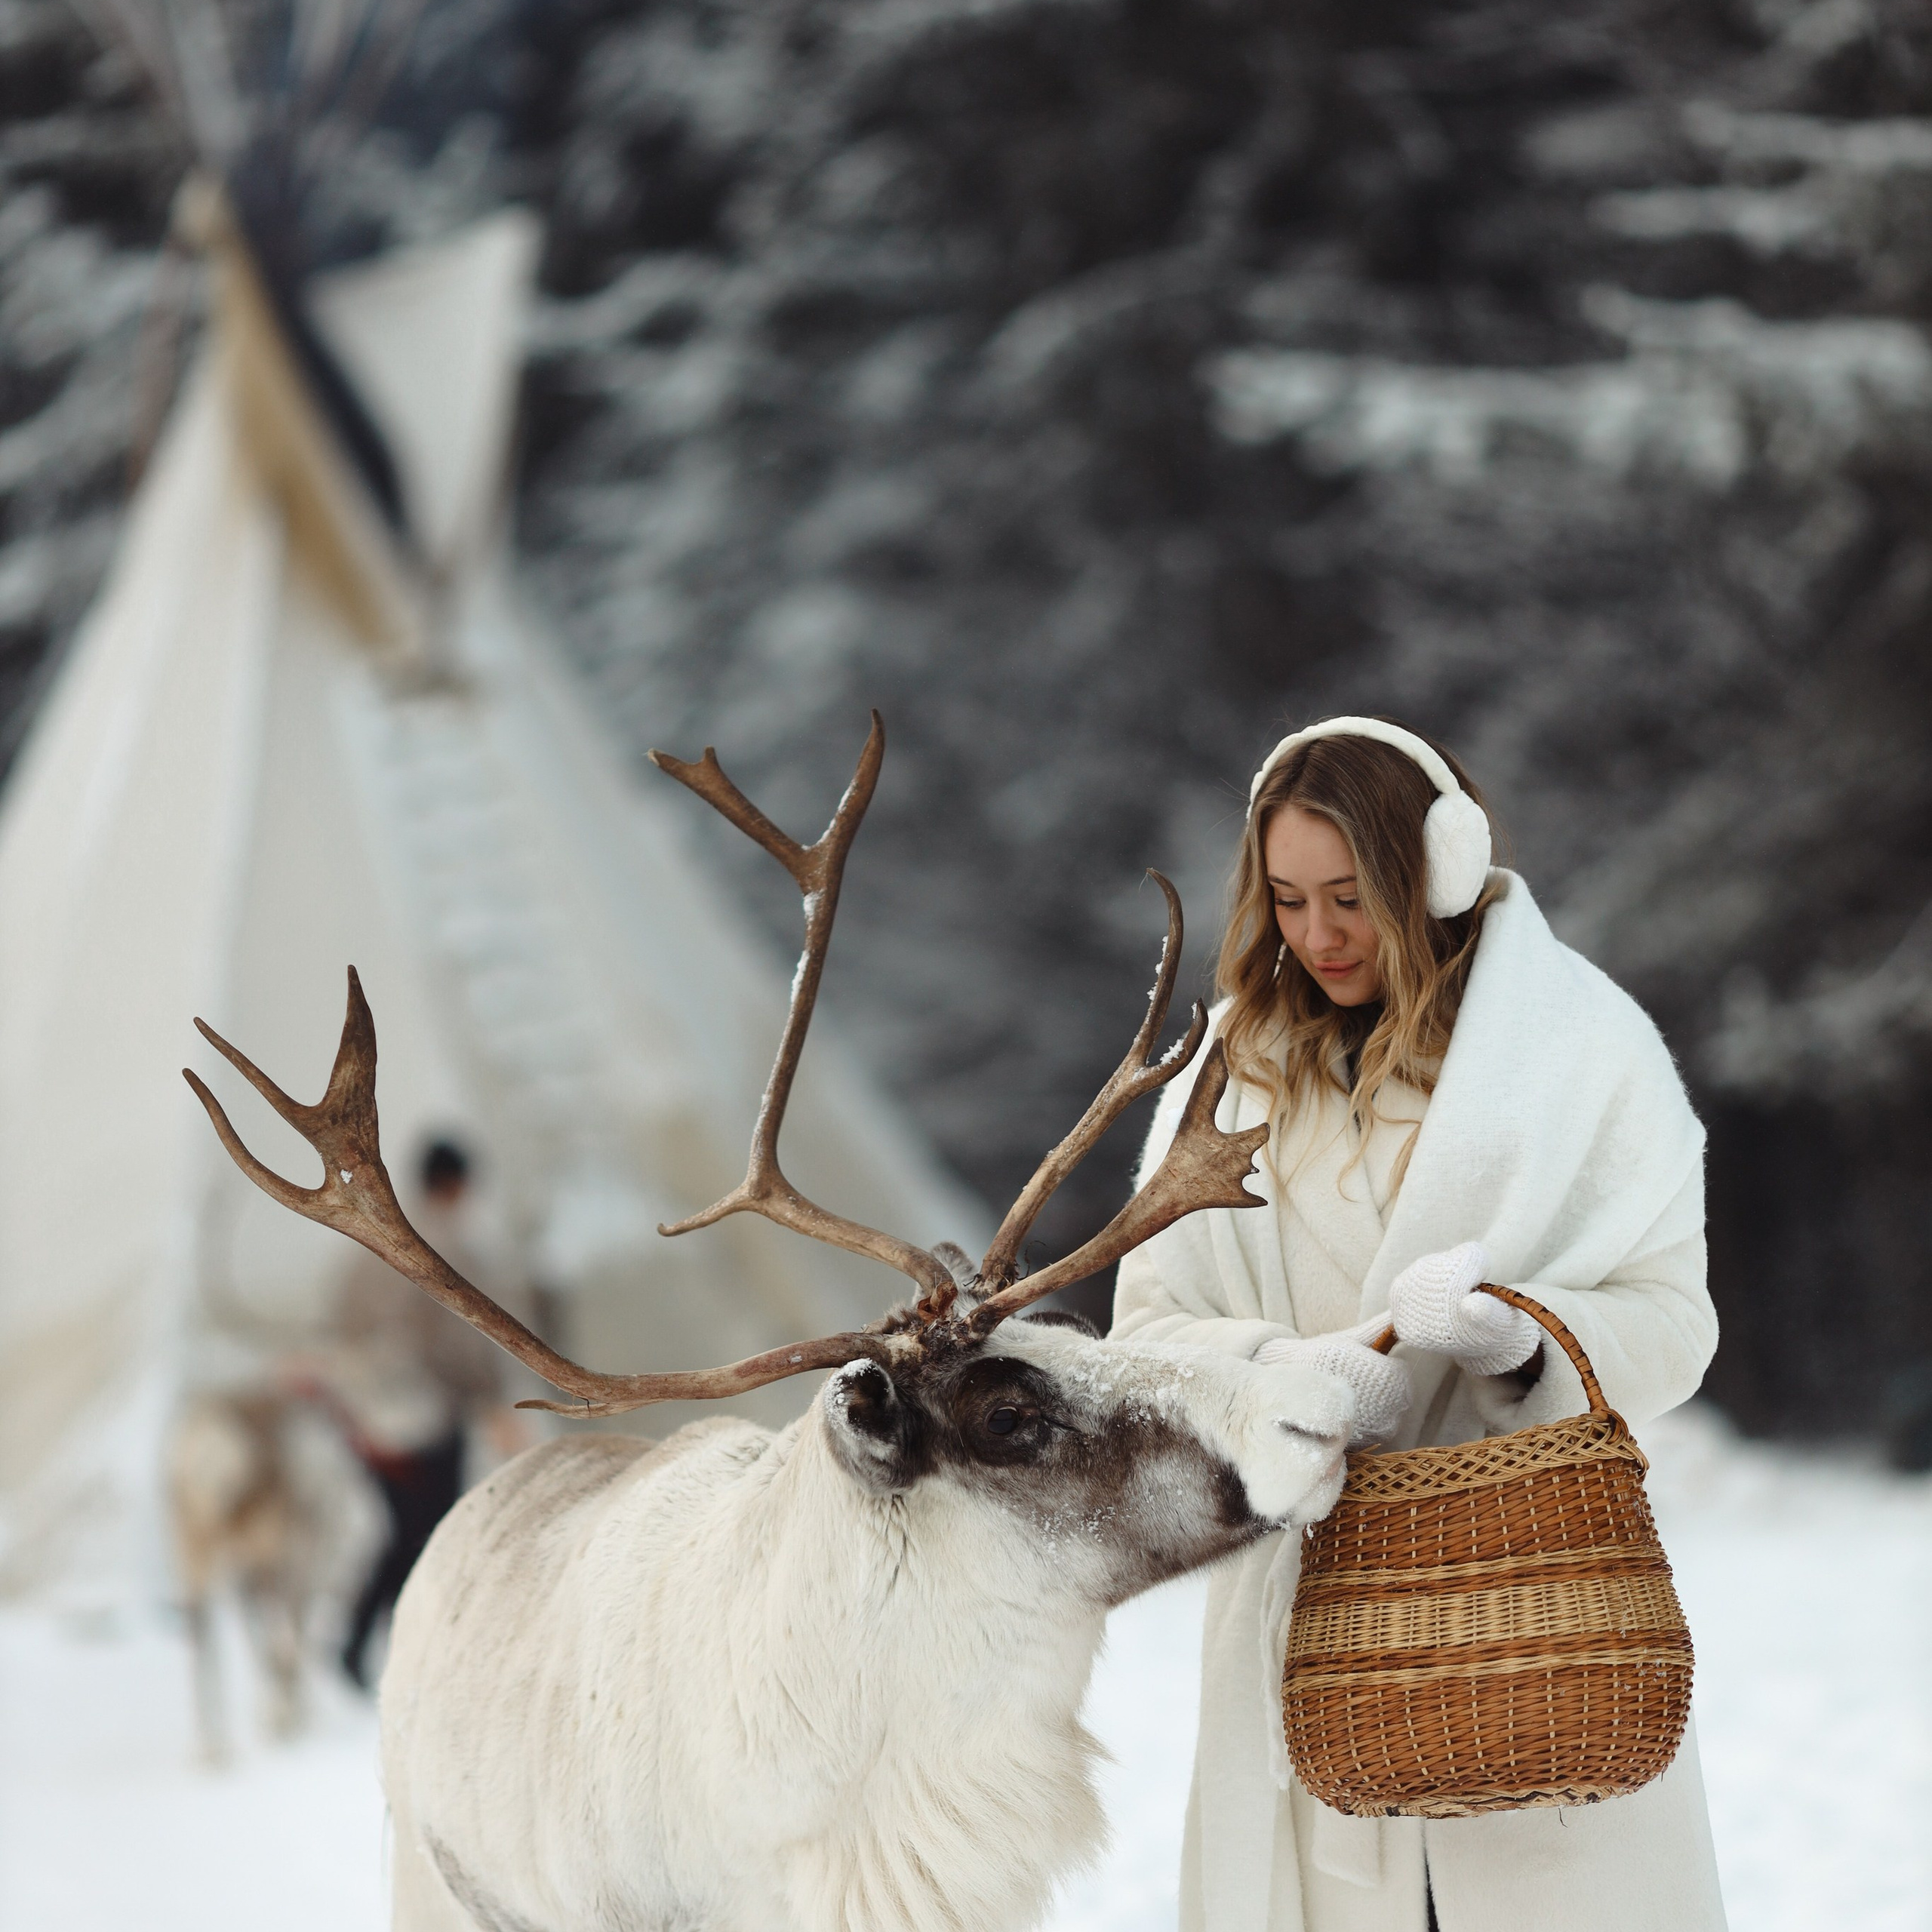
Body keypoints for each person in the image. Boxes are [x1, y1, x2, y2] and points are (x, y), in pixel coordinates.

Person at [1112, 718, 1726, 1932]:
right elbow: (1148, 1335)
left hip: (1537, 1611)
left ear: (1435, 871)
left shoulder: (1584, 1057)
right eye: (1287, 900)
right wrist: (1284, 1377)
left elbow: (1677, 1321)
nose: (1319, 936)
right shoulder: (1232, 1076)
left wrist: (1528, 1341)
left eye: (1351, 896)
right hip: (1312, 1615)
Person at [303, 1137, 524, 1689]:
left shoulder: (369, 1244)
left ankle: (364, 1645)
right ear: (458, 1184)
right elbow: (466, 1341)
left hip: (367, 1423)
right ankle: (408, 1649)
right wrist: (492, 1403)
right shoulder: (455, 1248)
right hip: (430, 1424)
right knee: (428, 1537)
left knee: (403, 1533)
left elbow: (335, 1330)